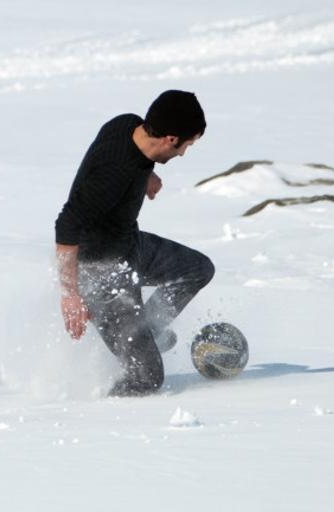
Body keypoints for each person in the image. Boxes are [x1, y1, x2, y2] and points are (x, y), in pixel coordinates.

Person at [55, 90, 215, 397]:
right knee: (147, 377)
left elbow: (128, 158)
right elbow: (67, 224)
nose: (183, 153)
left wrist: (147, 175)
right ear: (170, 138)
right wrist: (70, 295)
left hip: (131, 245)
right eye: (187, 145)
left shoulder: (127, 124)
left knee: (198, 269)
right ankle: (105, 418)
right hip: (101, 274)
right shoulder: (114, 175)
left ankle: (149, 330)